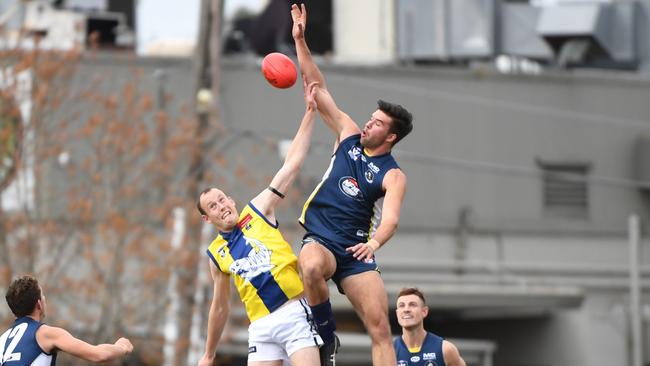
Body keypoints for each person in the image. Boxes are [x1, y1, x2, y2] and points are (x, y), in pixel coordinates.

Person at [291, 4, 414, 366]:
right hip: (323, 240)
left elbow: (390, 219)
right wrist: (300, 40)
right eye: (370, 118)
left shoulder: (393, 174)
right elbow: (316, 85)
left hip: (356, 250)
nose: (368, 123)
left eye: (376, 123)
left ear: (390, 136)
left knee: (380, 330)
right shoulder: (347, 135)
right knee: (310, 266)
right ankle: (325, 335)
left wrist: (373, 243)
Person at [196, 80, 323, 366]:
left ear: (231, 200)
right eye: (213, 207)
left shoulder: (257, 210)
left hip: (293, 314)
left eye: (222, 199)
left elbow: (290, 165)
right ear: (208, 218)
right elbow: (220, 307)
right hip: (261, 329)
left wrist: (310, 112)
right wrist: (208, 353)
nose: (221, 207)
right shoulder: (217, 254)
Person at [0, 275, 133, 365]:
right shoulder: (45, 334)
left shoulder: (2, 340)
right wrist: (122, 347)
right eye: (43, 295)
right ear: (39, 304)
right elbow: (98, 355)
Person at [394, 288, 466, 366]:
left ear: (424, 311)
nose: (406, 309)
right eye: (401, 305)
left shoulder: (445, 349)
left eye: (412, 305)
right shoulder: (389, 352)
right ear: (397, 313)